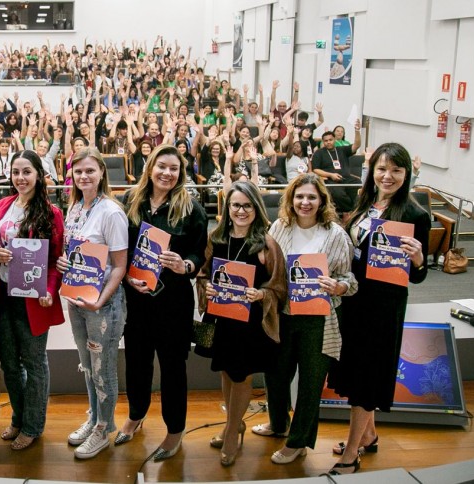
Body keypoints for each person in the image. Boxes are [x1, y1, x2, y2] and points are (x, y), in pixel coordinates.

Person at [326, 143, 429, 475]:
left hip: (382, 308)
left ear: (406, 174)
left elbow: (418, 276)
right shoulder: (365, 202)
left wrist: (418, 259)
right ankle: (368, 436)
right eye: (382, 169)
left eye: (397, 170)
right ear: (372, 170)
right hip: (354, 300)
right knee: (355, 371)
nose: (388, 176)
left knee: (366, 378)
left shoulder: (414, 214)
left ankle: (352, 450)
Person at [251, 173, 357, 465]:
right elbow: (271, 266)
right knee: (275, 373)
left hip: (318, 319)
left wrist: (340, 286)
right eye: (299, 197)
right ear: (291, 200)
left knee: (311, 382)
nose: (305, 202)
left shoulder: (335, 234)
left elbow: (349, 278)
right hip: (283, 315)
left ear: (322, 200)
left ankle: (297, 442)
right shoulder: (280, 227)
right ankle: (278, 424)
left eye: (312, 197)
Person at [118, 145, 208, 461]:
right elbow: (120, 249)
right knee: (137, 364)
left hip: (173, 303)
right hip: (137, 299)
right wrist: (128, 275)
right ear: (150, 167)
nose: (167, 173)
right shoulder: (130, 201)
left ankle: (174, 430)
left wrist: (185, 265)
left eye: (173, 168)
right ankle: (136, 414)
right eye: (161, 166)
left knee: (173, 369)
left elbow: (200, 253)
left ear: (180, 173)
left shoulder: (191, 208)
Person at [202, 180, 287, 467]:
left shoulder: (267, 244)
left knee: (242, 375)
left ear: (256, 208)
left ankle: (231, 434)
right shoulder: (216, 238)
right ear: (227, 208)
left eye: (247, 205)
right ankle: (233, 424)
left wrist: (262, 293)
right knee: (226, 370)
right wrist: (208, 290)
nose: (241, 210)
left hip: (250, 322)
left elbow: (279, 287)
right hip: (222, 317)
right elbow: (204, 275)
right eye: (236, 205)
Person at [0, 150, 66, 450]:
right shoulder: (2, 206)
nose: (20, 178)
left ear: (38, 175)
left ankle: (33, 426)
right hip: (4, 294)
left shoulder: (51, 213)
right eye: (16, 172)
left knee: (34, 363)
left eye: (27, 172)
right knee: (9, 363)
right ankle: (19, 418)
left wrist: (49, 289)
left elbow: (55, 259)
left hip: (34, 299)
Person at [56, 147, 129, 460]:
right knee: (87, 365)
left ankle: (104, 427)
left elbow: (120, 265)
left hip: (104, 305)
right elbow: (74, 253)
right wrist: (63, 264)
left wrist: (101, 298)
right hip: (77, 299)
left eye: (90, 171)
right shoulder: (74, 207)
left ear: (102, 173)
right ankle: (94, 417)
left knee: (103, 369)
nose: (84, 176)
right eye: (78, 171)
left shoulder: (111, 211)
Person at [311, 120, 362, 213]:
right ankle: (349, 211)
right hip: (330, 180)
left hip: (346, 178)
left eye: (330, 140)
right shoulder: (319, 153)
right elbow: (315, 169)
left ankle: (356, 211)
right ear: (323, 142)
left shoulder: (342, 149)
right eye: (326, 141)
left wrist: (357, 131)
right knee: (338, 194)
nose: (328, 142)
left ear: (334, 140)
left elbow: (356, 145)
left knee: (358, 183)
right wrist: (331, 175)